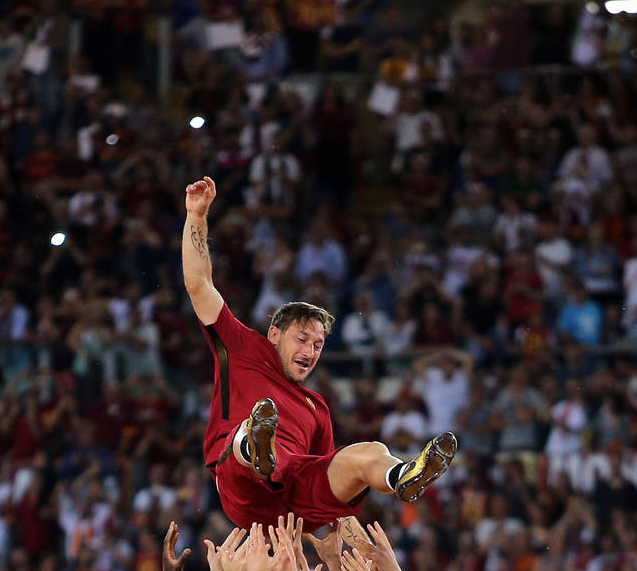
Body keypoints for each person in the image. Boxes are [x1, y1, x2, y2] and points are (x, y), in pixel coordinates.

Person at [181, 176, 458, 529]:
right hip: (243, 490)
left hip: (294, 501)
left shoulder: (317, 407)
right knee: (245, 432)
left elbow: (329, 478)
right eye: (302, 339)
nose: (310, 351)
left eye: (318, 345)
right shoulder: (242, 347)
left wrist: (345, 544)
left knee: (369, 451)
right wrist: (197, 215)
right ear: (274, 334)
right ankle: (258, 449)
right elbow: (198, 283)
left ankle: (403, 475)